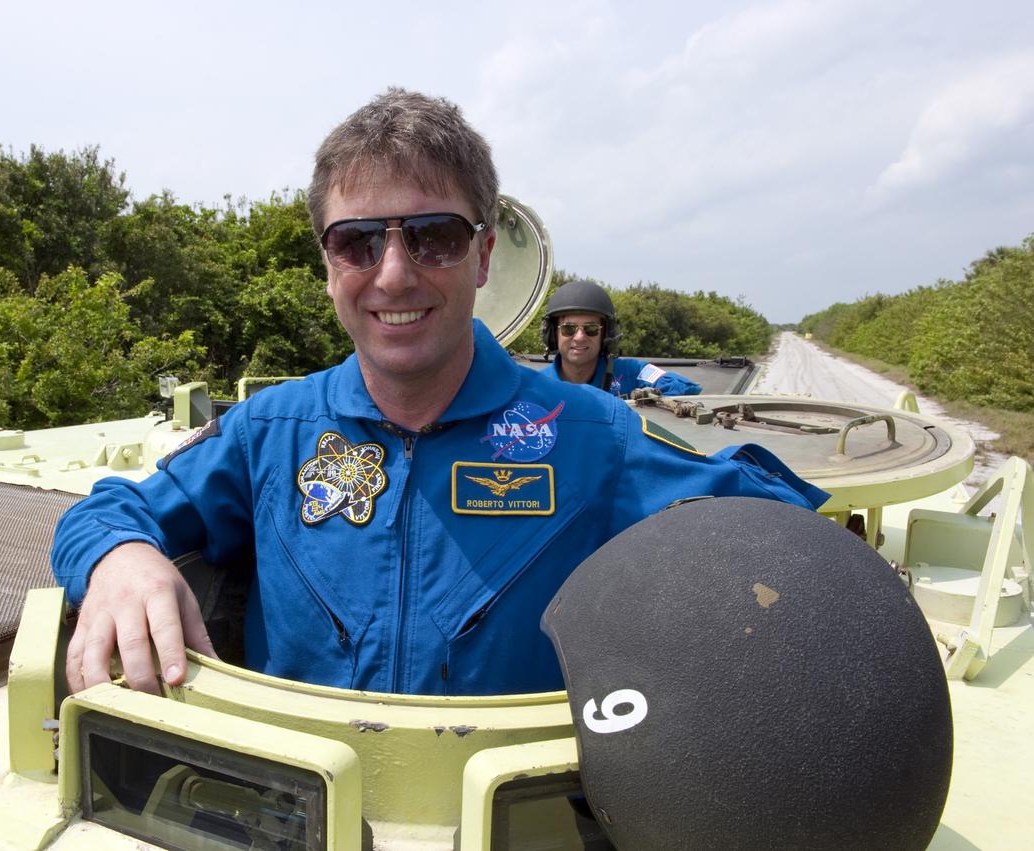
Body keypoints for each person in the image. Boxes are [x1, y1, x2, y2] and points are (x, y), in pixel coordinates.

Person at [51, 88, 827, 698]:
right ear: (327, 265)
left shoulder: (593, 436)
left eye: (435, 237)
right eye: (357, 241)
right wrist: (119, 558)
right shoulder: (269, 430)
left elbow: (787, 539)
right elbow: (105, 512)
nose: (393, 275)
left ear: (483, 255)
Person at [541, 279, 703, 397]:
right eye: (568, 329)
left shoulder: (630, 372)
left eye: (591, 329)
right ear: (553, 333)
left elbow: (683, 388)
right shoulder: (538, 385)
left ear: (606, 334)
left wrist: (646, 401)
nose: (579, 337)